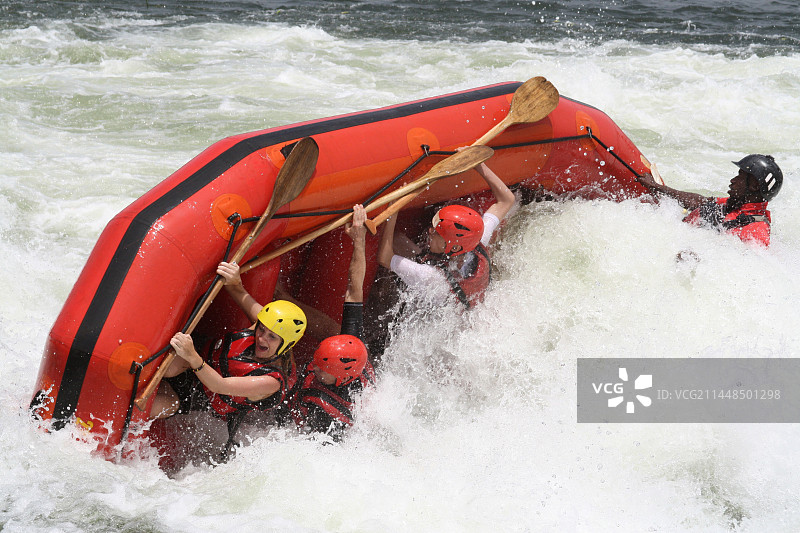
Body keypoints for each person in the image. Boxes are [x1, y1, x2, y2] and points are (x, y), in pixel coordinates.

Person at [376, 151, 516, 308]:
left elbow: (384, 257)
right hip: (467, 297)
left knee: (392, 245)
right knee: (398, 240)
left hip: (447, 319)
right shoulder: (476, 240)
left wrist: (393, 209)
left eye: (436, 232)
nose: (430, 231)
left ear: (454, 247)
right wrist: (478, 165)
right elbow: (506, 200)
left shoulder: (431, 277)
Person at [289, 204, 376, 441]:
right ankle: (285, 300)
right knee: (333, 329)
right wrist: (359, 240)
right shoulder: (352, 346)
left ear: (340, 379)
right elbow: (353, 290)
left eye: (321, 369)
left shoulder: (326, 417)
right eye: (317, 361)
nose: (314, 366)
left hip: (308, 419)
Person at [636, 154, 783, 246]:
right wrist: (657, 187)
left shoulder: (757, 231)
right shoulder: (734, 205)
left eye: (739, 176)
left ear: (754, 185)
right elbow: (699, 201)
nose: (733, 180)